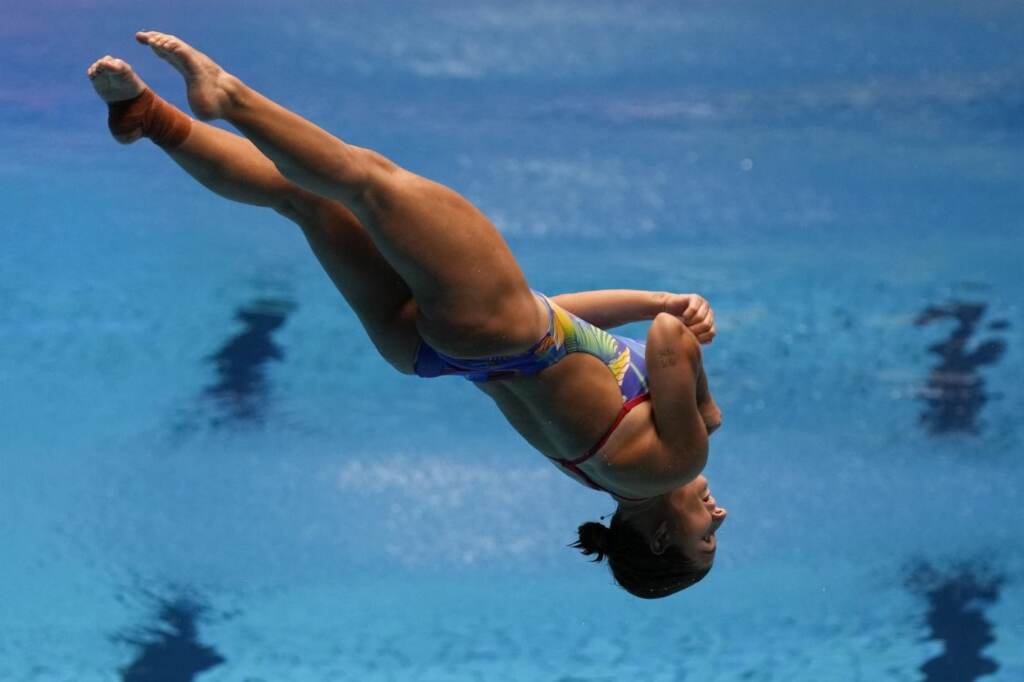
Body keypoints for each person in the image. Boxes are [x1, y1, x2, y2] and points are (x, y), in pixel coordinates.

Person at [87, 31, 727, 599]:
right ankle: (150, 117)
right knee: (303, 201)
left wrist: (702, 400)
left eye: (707, 539)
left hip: (497, 330)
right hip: (439, 351)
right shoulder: (610, 479)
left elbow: (670, 340)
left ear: (664, 540)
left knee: (370, 182)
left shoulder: (678, 459)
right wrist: (656, 302)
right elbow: (565, 328)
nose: (719, 517)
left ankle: (225, 96)